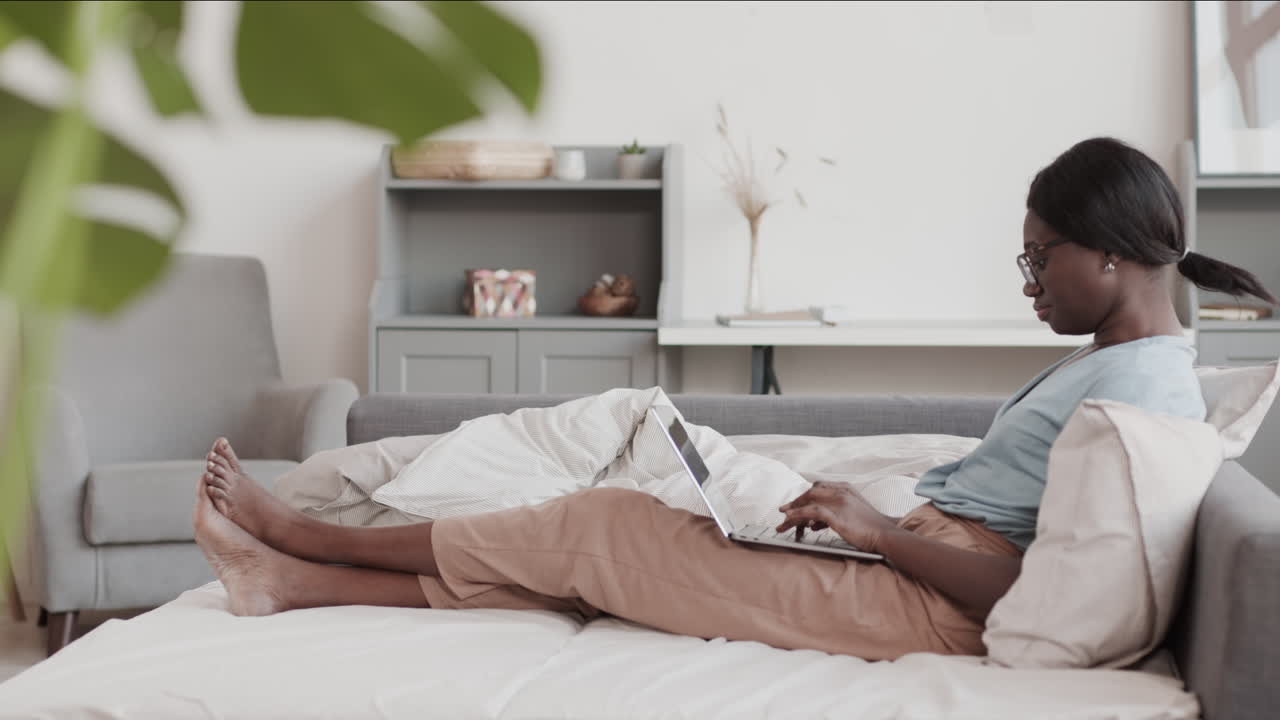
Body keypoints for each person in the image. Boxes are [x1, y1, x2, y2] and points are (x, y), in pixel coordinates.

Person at [192, 137, 1276, 661]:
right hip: (900, 558)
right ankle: (289, 582)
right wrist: (872, 520)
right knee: (610, 541)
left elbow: (1024, 589)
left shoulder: (1138, 399)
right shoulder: (1127, 366)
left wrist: (875, 534)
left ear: (1112, 252)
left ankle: (297, 537)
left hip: (916, 599)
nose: (1029, 280)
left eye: (1040, 260)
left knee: (596, 523)